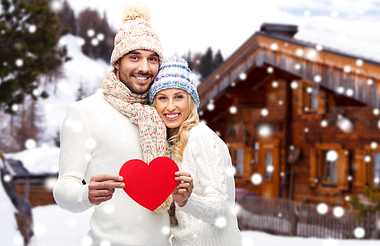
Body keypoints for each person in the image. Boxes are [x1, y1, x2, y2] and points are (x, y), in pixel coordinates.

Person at [53, 3, 191, 246]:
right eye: (134, 57)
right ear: (117, 62)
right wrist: (85, 194)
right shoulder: (84, 112)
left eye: (152, 59)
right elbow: (64, 187)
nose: (144, 68)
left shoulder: (160, 113)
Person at [108, 56, 243, 245]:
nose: (171, 106)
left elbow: (220, 210)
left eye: (179, 97)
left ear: (191, 100)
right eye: (162, 98)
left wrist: (186, 200)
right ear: (154, 104)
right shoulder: (168, 144)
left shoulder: (200, 136)